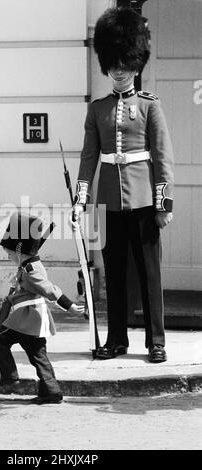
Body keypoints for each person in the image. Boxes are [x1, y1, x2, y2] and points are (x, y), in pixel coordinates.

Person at [73, 7, 174, 363]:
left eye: (124, 64)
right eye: (113, 64)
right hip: (108, 203)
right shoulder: (97, 110)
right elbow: (88, 157)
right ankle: (117, 339)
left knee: (149, 275)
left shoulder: (149, 107)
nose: (118, 71)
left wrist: (164, 204)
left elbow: (162, 158)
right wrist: (81, 198)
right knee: (114, 276)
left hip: (145, 201)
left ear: (135, 64)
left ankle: (156, 341)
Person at [0, 211, 84, 404]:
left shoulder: (31, 270)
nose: (8, 257)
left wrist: (69, 306)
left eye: (9, 254)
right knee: (38, 356)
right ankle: (51, 391)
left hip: (28, 318)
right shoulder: (28, 264)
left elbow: (50, 290)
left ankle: (9, 377)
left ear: (17, 251)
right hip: (31, 319)